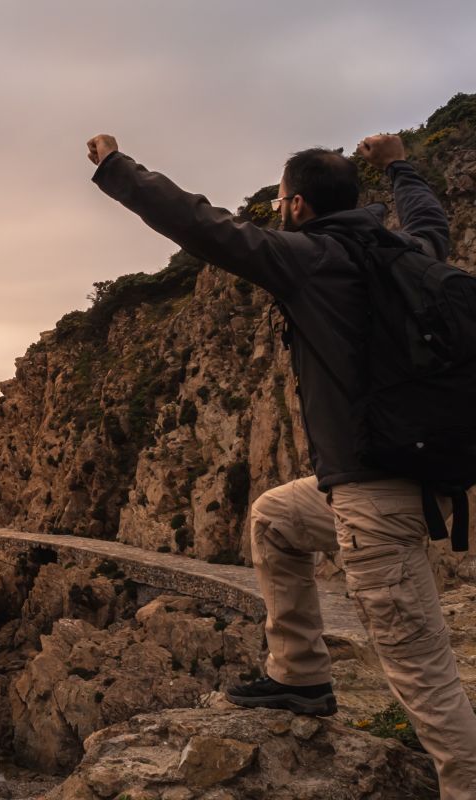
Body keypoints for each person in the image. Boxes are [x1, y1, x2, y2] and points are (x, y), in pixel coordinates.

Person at [86, 132, 476, 799]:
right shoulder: (406, 252)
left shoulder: (308, 259)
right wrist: (400, 165)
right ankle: (300, 675)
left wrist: (116, 168)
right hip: (428, 487)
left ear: (295, 206)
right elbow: (430, 219)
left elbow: (201, 224)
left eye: (284, 201)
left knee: (423, 675)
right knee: (272, 517)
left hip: (372, 502)